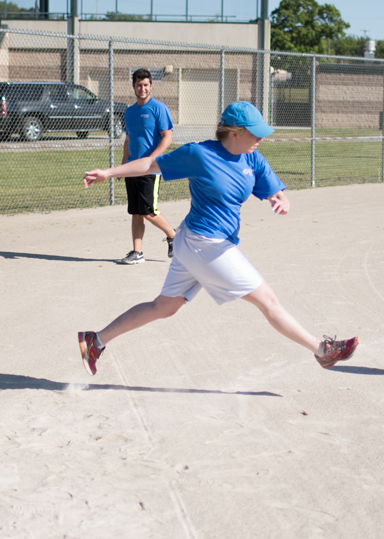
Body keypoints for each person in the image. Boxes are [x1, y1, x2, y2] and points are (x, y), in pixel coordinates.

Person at [78, 101, 358, 376]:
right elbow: (151, 164)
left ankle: (95, 340)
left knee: (164, 306)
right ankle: (323, 350)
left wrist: (280, 198)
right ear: (234, 133)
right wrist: (108, 173)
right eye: (255, 133)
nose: (260, 139)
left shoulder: (252, 158)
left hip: (197, 242)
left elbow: (273, 188)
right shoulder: (199, 154)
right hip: (206, 244)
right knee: (268, 300)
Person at [118, 68, 177, 265]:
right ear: (133, 86)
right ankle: (137, 252)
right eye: (138, 85)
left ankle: (173, 235)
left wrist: (151, 159)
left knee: (148, 210)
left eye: (145, 85)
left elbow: (167, 137)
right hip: (132, 167)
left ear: (151, 86)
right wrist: (123, 165)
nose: (142, 89)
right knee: (136, 211)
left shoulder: (158, 108)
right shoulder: (129, 111)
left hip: (150, 168)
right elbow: (128, 140)